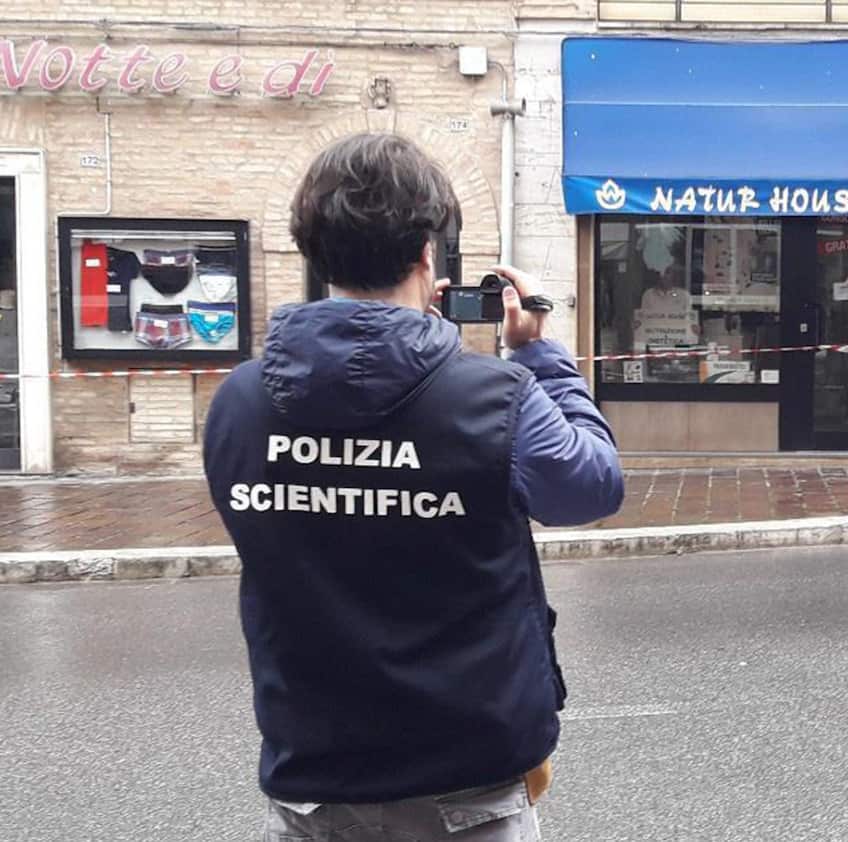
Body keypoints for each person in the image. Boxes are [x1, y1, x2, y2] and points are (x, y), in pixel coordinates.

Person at [202, 133, 624, 841]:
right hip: (465, 783)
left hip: (314, 782)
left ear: (316, 253)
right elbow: (590, 488)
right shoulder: (495, 398)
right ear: (429, 255)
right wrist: (538, 354)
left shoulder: (240, 403)